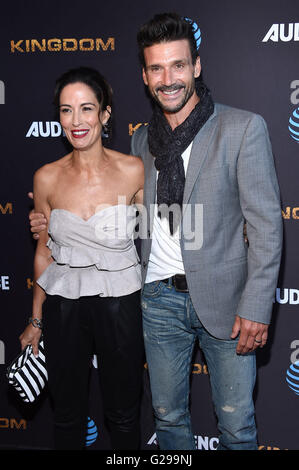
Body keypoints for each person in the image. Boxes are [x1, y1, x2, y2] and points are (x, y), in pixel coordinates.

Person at [30, 13, 283, 451]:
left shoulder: (242, 128)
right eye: (156, 68)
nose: (168, 79)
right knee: (168, 423)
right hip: (156, 301)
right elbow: (123, 215)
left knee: (236, 427)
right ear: (145, 77)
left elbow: (265, 226)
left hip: (226, 301)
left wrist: (257, 306)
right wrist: (51, 223)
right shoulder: (141, 142)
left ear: (196, 66)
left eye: (178, 65)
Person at [20, 66, 145, 450]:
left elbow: (162, 234)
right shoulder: (46, 178)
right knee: (67, 415)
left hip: (121, 302)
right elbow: (45, 253)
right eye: (66, 110)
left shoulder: (134, 170)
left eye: (86, 109)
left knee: (124, 416)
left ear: (105, 114)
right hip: (64, 306)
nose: (76, 121)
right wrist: (36, 319)